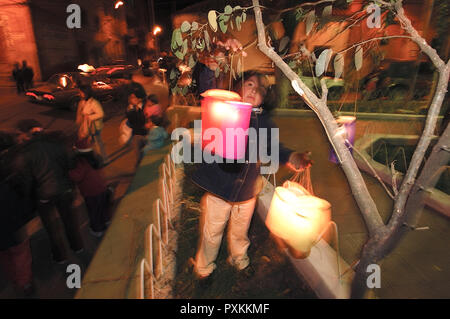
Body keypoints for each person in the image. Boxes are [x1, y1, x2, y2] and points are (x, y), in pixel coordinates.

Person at [191, 71, 312, 286]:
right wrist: (209, 67)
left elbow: (274, 148)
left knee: (240, 231)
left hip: (247, 191)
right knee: (212, 231)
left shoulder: (264, 123)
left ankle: (239, 258)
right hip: (220, 189)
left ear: (265, 97)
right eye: (249, 84)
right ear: (238, 86)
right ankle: (204, 268)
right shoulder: (224, 112)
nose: (254, 90)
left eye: (261, 88)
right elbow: (207, 88)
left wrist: (292, 156)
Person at [14, 119, 84, 263]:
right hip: (64, 189)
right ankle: (77, 247)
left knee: (52, 227)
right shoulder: (57, 144)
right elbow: (71, 164)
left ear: (28, 134)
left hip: (44, 195)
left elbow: (26, 180)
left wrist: (29, 197)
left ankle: (60, 256)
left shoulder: (26, 153)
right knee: (69, 220)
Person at [0, 131, 35, 296]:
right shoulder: (10, 183)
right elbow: (23, 204)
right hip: (14, 227)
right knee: (20, 256)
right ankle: (24, 283)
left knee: (6, 257)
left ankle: (15, 281)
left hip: (3, 233)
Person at [69, 138, 111, 237]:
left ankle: (98, 229)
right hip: (102, 187)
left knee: (94, 211)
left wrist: (68, 172)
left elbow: (77, 177)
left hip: (91, 191)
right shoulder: (95, 157)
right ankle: (106, 220)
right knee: (103, 206)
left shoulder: (81, 162)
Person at [76, 85, 108, 163]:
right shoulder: (83, 102)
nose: (80, 94)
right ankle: (95, 158)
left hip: (94, 127)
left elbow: (101, 114)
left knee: (97, 143)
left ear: (86, 93)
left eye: (81, 92)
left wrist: (89, 117)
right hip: (87, 126)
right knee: (90, 143)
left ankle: (104, 159)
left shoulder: (94, 103)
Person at [125, 82, 148, 166]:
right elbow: (131, 121)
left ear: (139, 99)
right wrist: (131, 108)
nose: (131, 99)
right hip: (136, 135)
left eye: (133, 97)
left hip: (146, 134)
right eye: (130, 97)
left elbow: (143, 121)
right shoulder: (130, 109)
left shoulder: (146, 107)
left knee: (147, 155)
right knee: (138, 155)